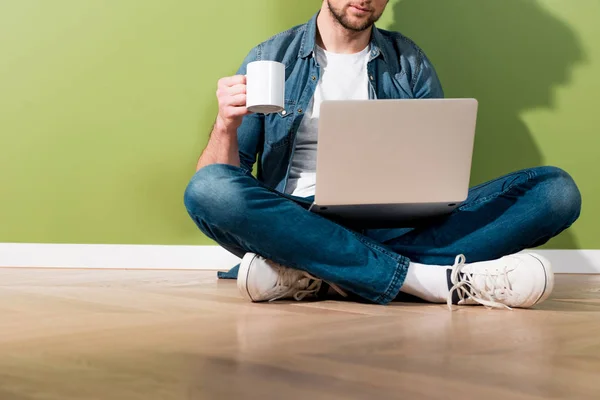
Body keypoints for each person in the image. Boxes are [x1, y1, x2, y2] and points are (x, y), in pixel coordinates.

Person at [184, 0, 582, 310]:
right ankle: (425, 280)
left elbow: (438, 171)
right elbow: (221, 179)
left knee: (555, 192)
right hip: (297, 218)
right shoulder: (270, 58)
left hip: (397, 224)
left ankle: (313, 273)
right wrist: (224, 125)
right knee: (208, 189)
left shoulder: (409, 62)